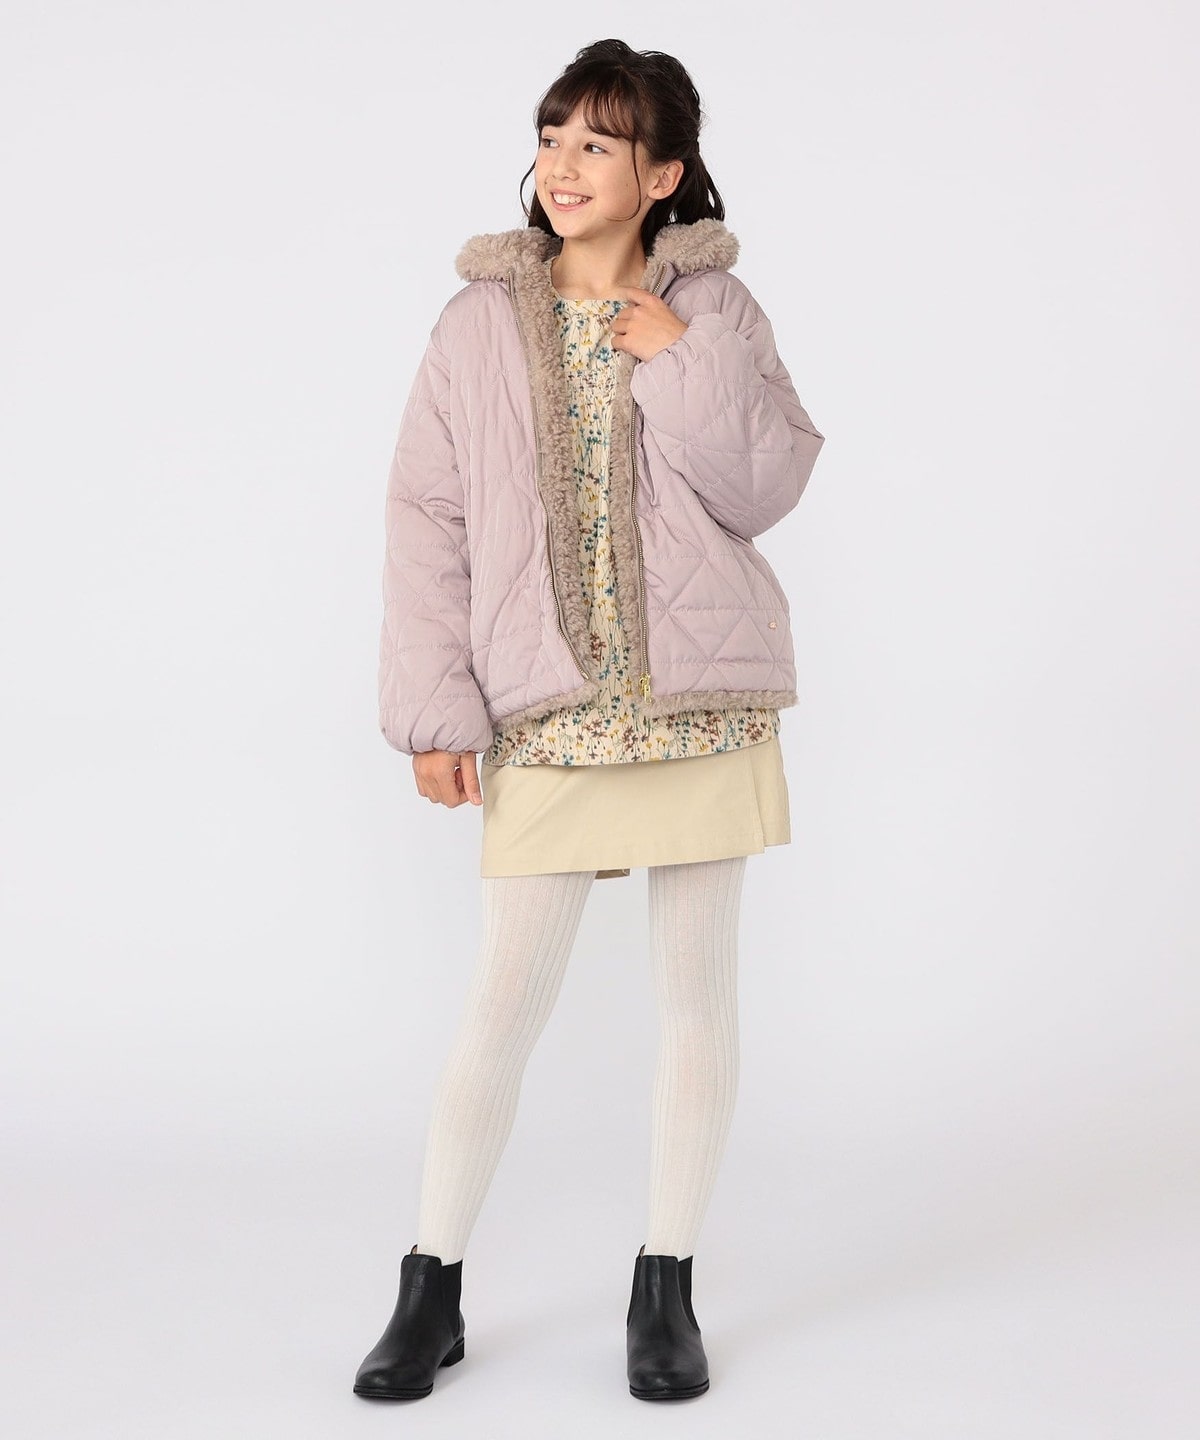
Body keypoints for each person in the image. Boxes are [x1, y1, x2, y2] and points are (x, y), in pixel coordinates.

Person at [355, 38, 826, 1403]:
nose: (563, 165)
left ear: (661, 174)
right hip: (548, 712)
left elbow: (766, 486)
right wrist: (435, 710)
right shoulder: (473, 326)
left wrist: (681, 360)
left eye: (599, 143)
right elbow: (425, 518)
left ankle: (664, 1287)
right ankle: (431, 1285)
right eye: (553, 135)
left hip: (699, 704)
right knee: (500, 1010)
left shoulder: (716, 311)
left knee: (695, 1002)